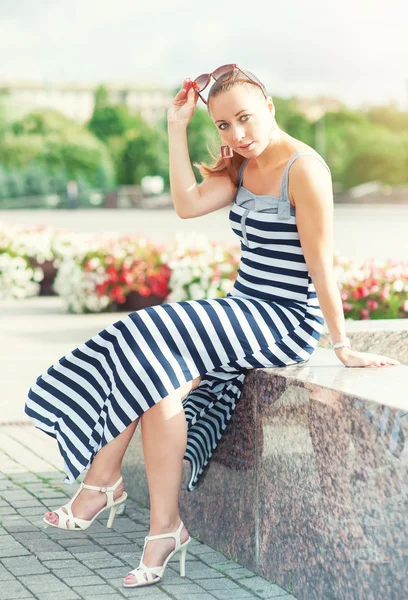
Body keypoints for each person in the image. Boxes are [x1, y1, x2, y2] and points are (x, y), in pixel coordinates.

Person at [24, 65, 400, 589]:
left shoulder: (305, 168)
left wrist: (342, 345)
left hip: (283, 321)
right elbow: (185, 206)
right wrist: (176, 128)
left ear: (269, 104)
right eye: (223, 126)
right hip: (242, 310)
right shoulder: (241, 166)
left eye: (244, 119)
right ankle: (164, 529)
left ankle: (102, 479)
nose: (237, 135)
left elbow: (321, 265)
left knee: (143, 327)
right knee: (159, 386)